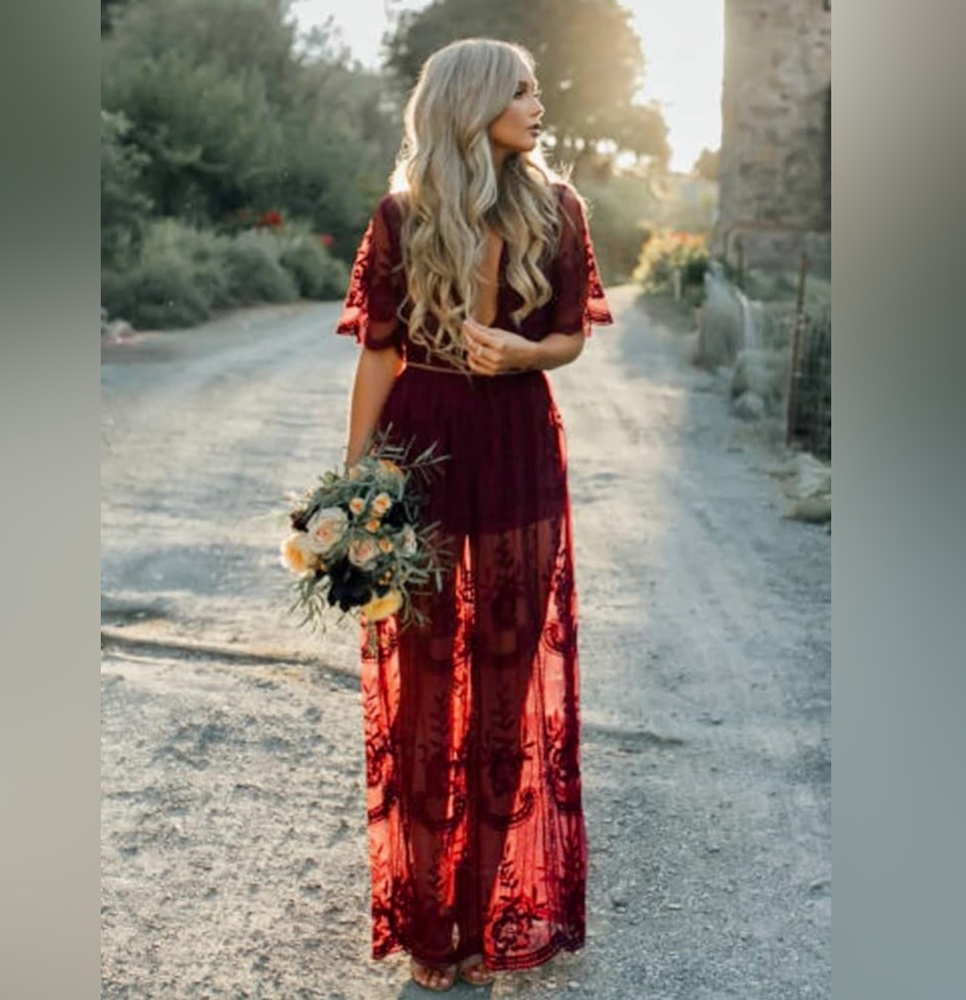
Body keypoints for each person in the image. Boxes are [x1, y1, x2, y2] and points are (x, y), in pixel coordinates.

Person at [335, 37, 613, 992]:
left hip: (519, 441)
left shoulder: (558, 207)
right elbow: (378, 353)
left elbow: (571, 335)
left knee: (505, 673)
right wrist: (355, 487)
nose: (538, 104)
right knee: (421, 682)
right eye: (521, 90)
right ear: (473, 103)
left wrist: (524, 354)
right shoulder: (402, 216)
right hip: (420, 447)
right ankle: (430, 922)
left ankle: (487, 910)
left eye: (537, 89)